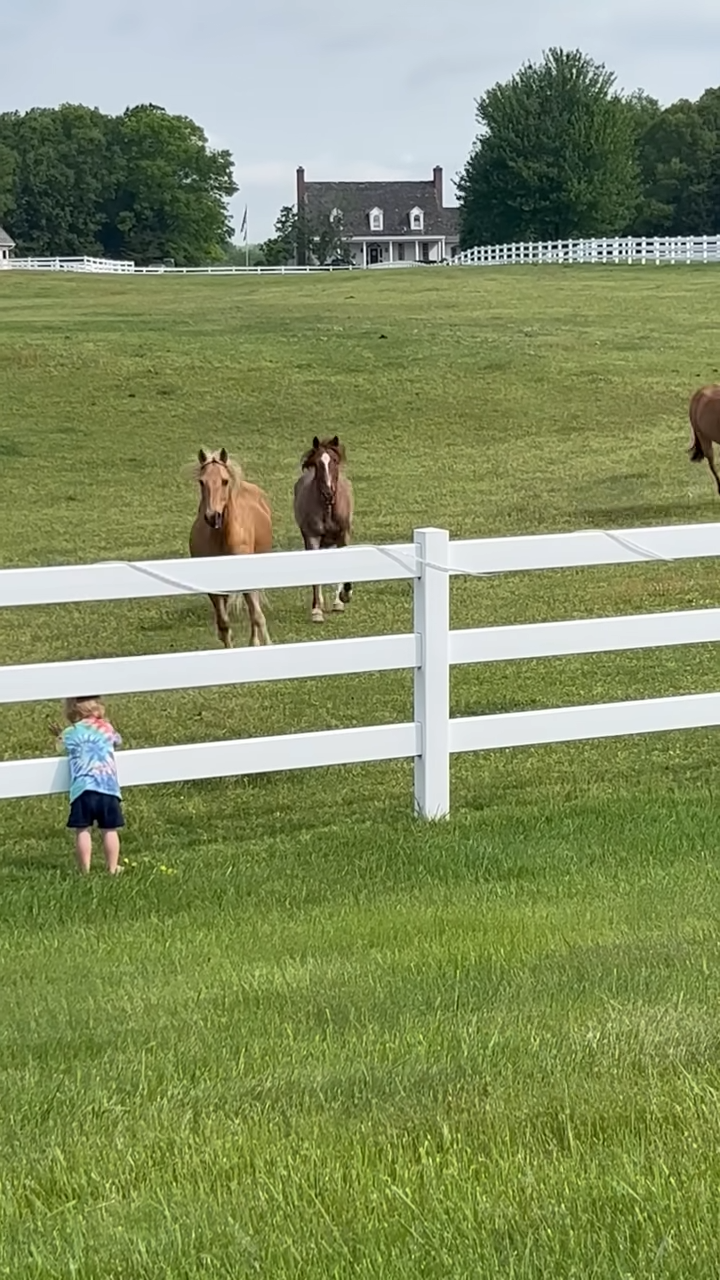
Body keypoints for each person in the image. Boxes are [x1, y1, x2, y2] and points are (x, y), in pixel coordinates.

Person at [50, 696, 125, 875]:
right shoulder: (106, 728)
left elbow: (59, 748)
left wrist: (59, 736)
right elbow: (118, 741)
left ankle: (85, 869)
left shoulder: (71, 732)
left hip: (82, 789)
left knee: (83, 830)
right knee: (109, 830)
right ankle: (113, 867)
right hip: (108, 788)